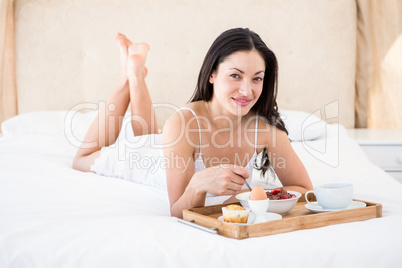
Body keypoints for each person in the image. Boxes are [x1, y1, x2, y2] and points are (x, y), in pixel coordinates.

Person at [73, 28, 313, 219]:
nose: (246, 90)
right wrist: (199, 184)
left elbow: (303, 188)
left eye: (257, 78)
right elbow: (178, 210)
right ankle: (128, 76)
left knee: (149, 135)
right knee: (84, 158)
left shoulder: (265, 129)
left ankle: (137, 73)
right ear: (212, 74)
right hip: (153, 163)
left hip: (169, 144)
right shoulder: (183, 123)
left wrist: (255, 197)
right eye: (235, 75)